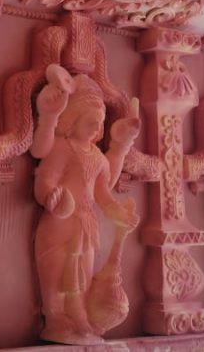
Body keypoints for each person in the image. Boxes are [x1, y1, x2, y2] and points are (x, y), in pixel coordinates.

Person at [30, 67, 139, 345]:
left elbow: (103, 192)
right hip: (60, 222)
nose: (96, 129)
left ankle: (78, 317)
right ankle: (54, 316)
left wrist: (118, 212)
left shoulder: (98, 158)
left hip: (87, 224)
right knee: (56, 272)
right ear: (73, 119)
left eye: (99, 123)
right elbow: (45, 179)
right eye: (91, 121)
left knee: (82, 274)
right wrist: (50, 197)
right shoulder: (62, 148)